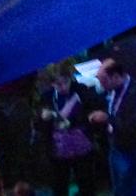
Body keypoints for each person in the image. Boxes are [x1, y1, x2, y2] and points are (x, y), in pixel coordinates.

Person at [90, 59, 136, 196]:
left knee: (128, 187)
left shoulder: (135, 94)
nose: (101, 85)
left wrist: (107, 118)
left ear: (116, 77)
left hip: (131, 148)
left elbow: (133, 127)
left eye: (104, 81)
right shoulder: (116, 87)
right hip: (116, 144)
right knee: (118, 187)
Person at [38, 60, 97, 196]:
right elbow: (40, 123)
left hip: (81, 145)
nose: (63, 86)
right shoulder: (47, 97)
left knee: (86, 183)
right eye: (58, 84)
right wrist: (43, 117)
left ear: (70, 78)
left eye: (66, 81)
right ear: (52, 83)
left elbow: (92, 111)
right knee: (59, 184)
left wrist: (72, 122)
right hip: (58, 149)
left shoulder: (82, 90)